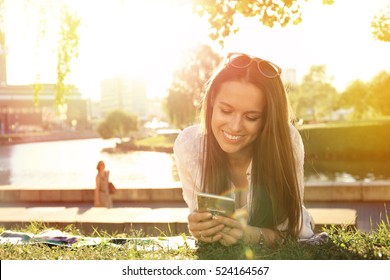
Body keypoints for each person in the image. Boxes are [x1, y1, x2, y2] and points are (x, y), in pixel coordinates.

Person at [174, 52, 315, 247]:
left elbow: (294, 231)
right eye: (226, 110)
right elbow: (198, 214)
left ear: (267, 119)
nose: (234, 126)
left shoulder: (286, 140)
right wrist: (199, 227)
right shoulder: (189, 145)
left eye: (251, 117)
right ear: (212, 100)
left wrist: (254, 236)